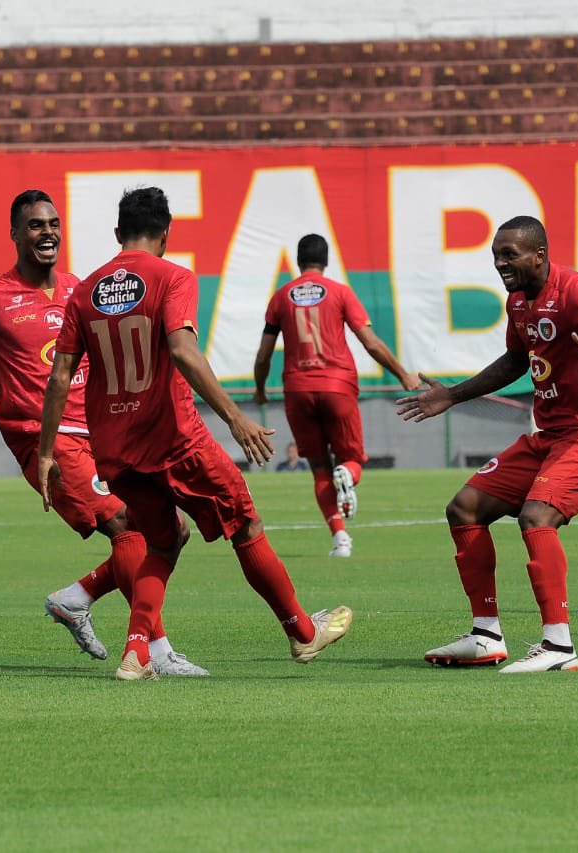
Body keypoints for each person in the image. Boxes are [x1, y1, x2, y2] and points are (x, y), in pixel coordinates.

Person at [39, 186, 353, 681]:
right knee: (246, 527)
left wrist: (43, 454)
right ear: (165, 234)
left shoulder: (84, 290)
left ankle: (137, 653)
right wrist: (234, 417)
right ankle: (301, 632)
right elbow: (183, 351)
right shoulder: (173, 276)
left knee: (162, 542)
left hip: (115, 450)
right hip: (175, 439)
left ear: (118, 233)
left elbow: (60, 378)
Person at [0, 189, 207, 676]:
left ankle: (76, 597)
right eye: (35, 226)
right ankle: (155, 650)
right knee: (127, 526)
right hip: (45, 439)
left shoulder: (79, 289)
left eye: (53, 224)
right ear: (15, 234)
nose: (47, 233)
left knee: (174, 531)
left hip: (101, 433)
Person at [398, 215, 578, 673]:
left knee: (536, 515)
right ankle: (486, 634)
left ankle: (558, 645)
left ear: (539, 255)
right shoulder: (518, 301)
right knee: (464, 508)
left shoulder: (574, 290)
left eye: (509, 254)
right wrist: (451, 395)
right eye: (495, 254)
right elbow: (515, 359)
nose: (500, 263)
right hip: (551, 437)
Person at [254, 234, 420, 557]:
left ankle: (340, 539)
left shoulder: (280, 297)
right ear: (325, 261)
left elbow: (263, 356)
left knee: (319, 468)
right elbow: (370, 342)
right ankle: (347, 473)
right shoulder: (341, 293)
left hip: (298, 389)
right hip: (337, 386)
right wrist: (403, 375)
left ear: (299, 261)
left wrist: (260, 390)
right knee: (352, 459)